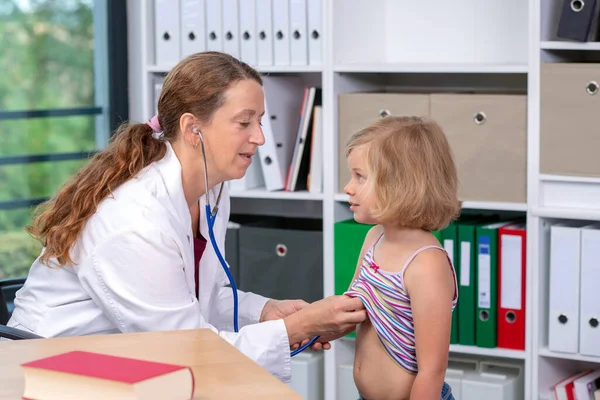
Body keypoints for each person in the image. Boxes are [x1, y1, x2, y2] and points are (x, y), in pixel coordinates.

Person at [7, 51, 366, 383]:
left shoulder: (210, 189)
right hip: (55, 370)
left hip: (123, 358)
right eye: (244, 123)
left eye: (259, 121)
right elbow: (186, 351)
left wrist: (266, 311)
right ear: (193, 129)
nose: (259, 137)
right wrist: (297, 328)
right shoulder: (134, 220)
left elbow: (193, 297)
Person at [342, 116, 461, 400]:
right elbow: (355, 305)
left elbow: (432, 371)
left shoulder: (426, 264)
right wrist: (312, 328)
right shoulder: (375, 237)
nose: (348, 187)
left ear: (400, 184)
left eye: (360, 177)